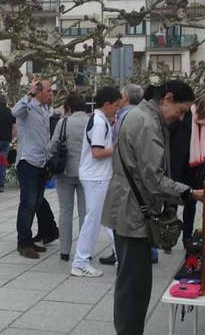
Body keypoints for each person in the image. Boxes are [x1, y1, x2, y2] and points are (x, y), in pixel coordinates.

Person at [102, 81, 204, 335]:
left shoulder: (145, 117)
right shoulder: (147, 123)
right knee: (134, 285)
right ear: (167, 98)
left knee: (132, 282)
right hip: (132, 210)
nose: (179, 118)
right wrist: (191, 193)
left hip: (130, 206)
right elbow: (154, 179)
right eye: (180, 111)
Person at [71, 86, 122, 277]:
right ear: (107, 104)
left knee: (105, 219)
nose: (117, 109)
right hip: (96, 176)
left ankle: (120, 256)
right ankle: (80, 261)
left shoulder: (100, 119)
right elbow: (97, 152)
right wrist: (118, 147)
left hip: (97, 175)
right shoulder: (100, 122)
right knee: (94, 220)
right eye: (116, 105)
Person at [169, 93, 205, 250]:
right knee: (172, 203)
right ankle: (169, 236)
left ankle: (187, 237)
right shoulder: (183, 117)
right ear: (204, 106)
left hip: (196, 169)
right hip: (178, 167)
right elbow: (169, 139)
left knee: (191, 205)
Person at [12, 80, 58, 259]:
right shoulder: (28, 106)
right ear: (38, 92)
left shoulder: (47, 109)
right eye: (48, 90)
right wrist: (29, 94)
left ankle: (31, 240)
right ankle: (23, 242)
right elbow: (14, 112)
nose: (51, 94)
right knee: (28, 203)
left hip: (41, 161)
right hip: (28, 161)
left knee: (37, 202)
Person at [100, 84, 144, 266]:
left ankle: (122, 254)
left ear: (125, 98)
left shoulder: (126, 116)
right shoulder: (140, 115)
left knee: (121, 214)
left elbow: (119, 146)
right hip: (136, 172)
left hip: (125, 174)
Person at [47, 92, 89, 261]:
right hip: (87, 172)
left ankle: (65, 251)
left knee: (65, 211)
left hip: (64, 172)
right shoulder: (92, 122)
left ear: (68, 108)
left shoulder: (63, 122)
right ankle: (84, 250)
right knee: (85, 213)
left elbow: (52, 147)